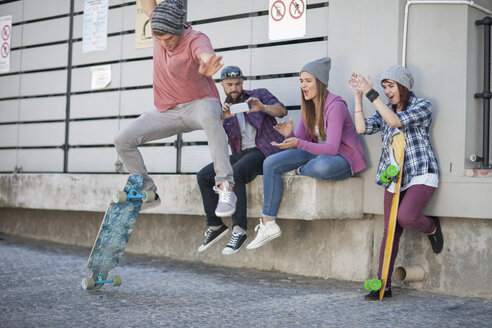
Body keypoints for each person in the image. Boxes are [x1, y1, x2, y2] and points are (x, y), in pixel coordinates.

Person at [114, 0, 237, 216]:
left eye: (169, 39)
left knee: (210, 116)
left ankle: (226, 187)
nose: (164, 44)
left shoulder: (195, 39)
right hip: (168, 111)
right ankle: (148, 191)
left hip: (199, 104)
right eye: (159, 39)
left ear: (179, 30)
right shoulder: (160, 27)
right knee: (123, 140)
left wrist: (207, 61)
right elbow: (148, 5)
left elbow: (204, 52)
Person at [246, 57, 367, 250]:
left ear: (320, 83)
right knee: (271, 162)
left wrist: (298, 143)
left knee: (322, 165)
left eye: (308, 81)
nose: (303, 85)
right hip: (316, 154)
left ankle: (300, 171)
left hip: (342, 159)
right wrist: (290, 135)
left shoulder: (336, 106)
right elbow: (300, 141)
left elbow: (332, 149)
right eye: (301, 81)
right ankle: (268, 222)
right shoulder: (308, 105)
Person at [348, 65, 443, 301]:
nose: (387, 92)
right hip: (394, 176)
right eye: (383, 87)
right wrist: (358, 97)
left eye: (390, 86)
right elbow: (362, 127)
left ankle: (431, 227)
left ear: (403, 86)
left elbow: (395, 122)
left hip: (421, 171)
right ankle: (383, 286)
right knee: (390, 230)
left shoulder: (422, 105)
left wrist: (372, 94)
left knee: (406, 217)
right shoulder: (385, 110)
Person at [197, 66, 287, 255]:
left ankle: (240, 230)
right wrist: (221, 120)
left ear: (242, 83)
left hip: (266, 149)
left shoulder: (258, 95)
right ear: (222, 85)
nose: (234, 88)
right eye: (229, 85)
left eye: (238, 84)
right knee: (204, 175)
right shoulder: (221, 110)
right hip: (242, 154)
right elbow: (216, 140)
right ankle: (215, 226)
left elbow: (281, 111)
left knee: (235, 173)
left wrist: (262, 107)